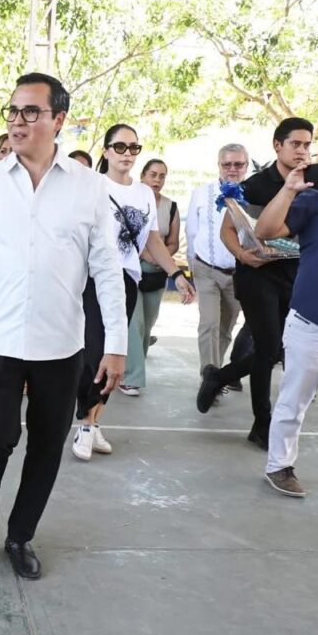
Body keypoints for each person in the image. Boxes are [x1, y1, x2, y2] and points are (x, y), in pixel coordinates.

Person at [0, 73, 128, 579]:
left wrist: (116, 343)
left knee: (48, 445)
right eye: (13, 111)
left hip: (61, 343)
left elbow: (106, 267)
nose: (18, 121)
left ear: (59, 120)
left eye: (31, 111)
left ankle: (20, 534)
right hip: (0, 338)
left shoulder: (89, 187)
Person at [73, 124, 195, 461]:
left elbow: (152, 240)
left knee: (114, 353)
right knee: (94, 351)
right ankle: (85, 423)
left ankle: (93, 422)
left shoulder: (143, 193)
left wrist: (176, 274)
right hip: (92, 279)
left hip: (126, 280)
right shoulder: (92, 186)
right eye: (120, 147)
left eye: (133, 148)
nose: (127, 154)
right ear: (106, 151)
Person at [197, 118, 313, 449]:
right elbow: (227, 231)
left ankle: (219, 376)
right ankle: (262, 424)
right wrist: (242, 256)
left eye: (307, 145)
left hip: (295, 276)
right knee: (268, 346)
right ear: (278, 145)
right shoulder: (254, 185)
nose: (302, 151)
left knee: (276, 349)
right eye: (295, 144)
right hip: (257, 275)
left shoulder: (314, 182)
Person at [254, 163, 318, 496]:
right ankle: (279, 466)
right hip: (311, 326)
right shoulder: (315, 201)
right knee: (294, 401)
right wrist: (289, 189)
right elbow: (265, 231)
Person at [119, 158, 181, 395]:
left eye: (162, 176)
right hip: (130, 270)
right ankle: (131, 377)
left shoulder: (170, 207)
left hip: (156, 274)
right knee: (134, 324)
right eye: (153, 175)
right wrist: (147, 254)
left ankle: (134, 368)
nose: (157, 180)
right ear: (143, 176)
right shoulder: (131, 199)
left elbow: (172, 242)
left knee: (147, 327)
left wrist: (162, 258)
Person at [186, 145, 247, 378]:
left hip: (238, 273)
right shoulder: (202, 193)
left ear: (246, 166)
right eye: (227, 164)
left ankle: (215, 375)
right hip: (206, 269)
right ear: (218, 165)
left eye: (238, 164)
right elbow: (192, 231)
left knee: (226, 328)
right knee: (209, 323)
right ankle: (208, 377)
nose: (232, 169)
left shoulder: (254, 193)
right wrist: (192, 265)